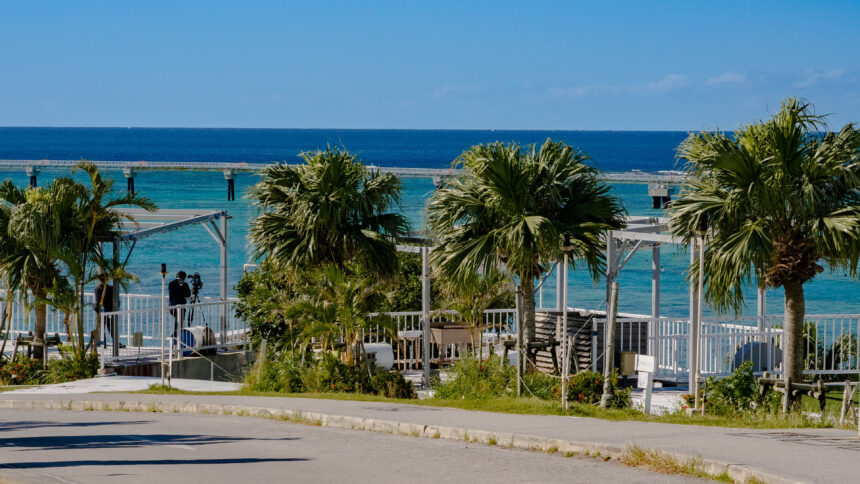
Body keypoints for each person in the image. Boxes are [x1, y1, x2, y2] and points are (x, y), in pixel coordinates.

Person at [94, 281, 124, 348]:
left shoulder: (99, 288)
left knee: (106, 328)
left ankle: (106, 343)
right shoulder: (108, 288)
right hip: (107, 310)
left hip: (105, 311)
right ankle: (109, 342)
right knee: (109, 328)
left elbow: (98, 300)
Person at [168, 271, 191, 335]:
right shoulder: (184, 284)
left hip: (171, 307)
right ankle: (176, 335)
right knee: (179, 322)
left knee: (178, 320)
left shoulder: (171, 283)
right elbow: (188, 295)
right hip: (180, 307)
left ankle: (177, 335)